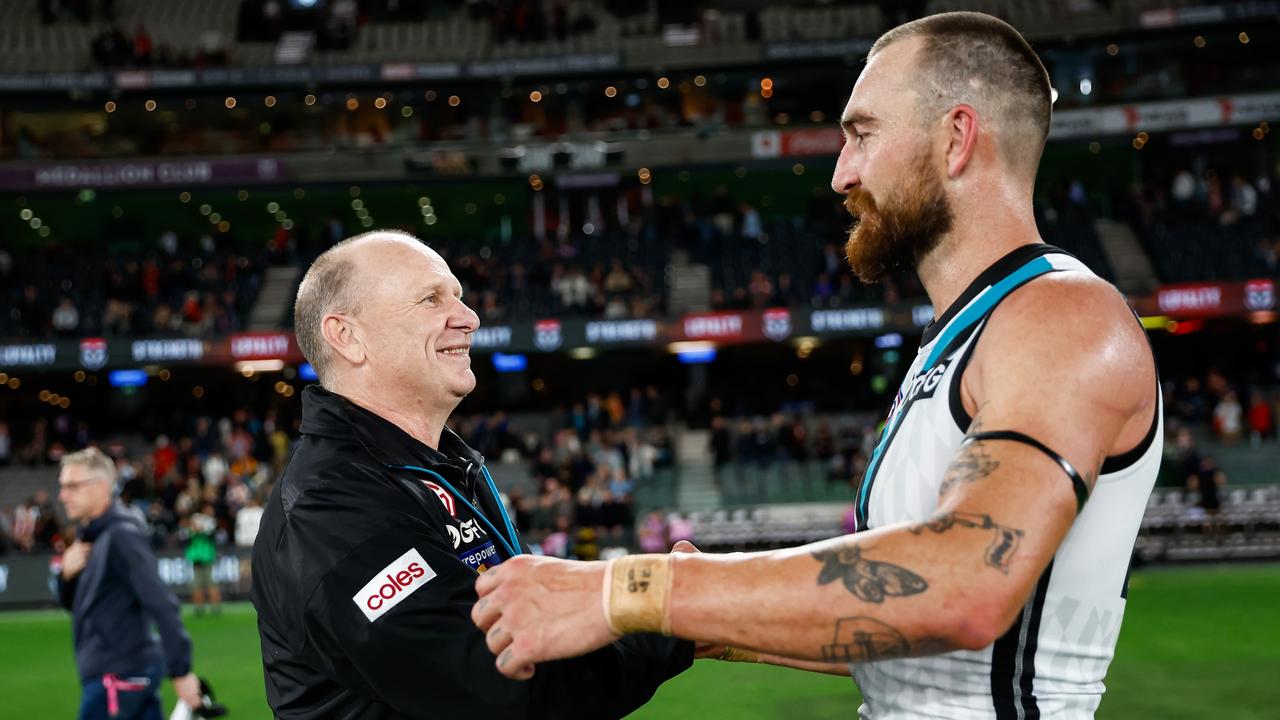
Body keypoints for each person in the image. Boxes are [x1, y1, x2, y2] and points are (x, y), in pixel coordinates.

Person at [471, 12, 1162, 719]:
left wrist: (633, 588)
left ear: (956, 138)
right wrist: (686, 610)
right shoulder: (959, 338)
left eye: (862, 133)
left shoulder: (1063, 316)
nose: (841, 174)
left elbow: (965, 587)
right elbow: (899, 631)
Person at [250, 230, 691, 718]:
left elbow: (527, 624)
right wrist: (671, 614)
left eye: (458, 297)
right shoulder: (330, 510)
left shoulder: (446, 468)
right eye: (431, 299)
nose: (469, 318)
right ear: (347, 337)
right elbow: (509, 689)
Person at [56, 447, 204, 719]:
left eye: (72, 486)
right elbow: (75, 605)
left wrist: (181, 671)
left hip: (116, 679)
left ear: (101, 487)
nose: (63, 495)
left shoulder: (120, 535)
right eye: (63, 486)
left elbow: (160, 602)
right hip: (123, 676)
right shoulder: (93, 537)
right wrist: (65, 575)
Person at [185, 502, 221, 616]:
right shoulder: (198, 518)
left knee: (210, 584)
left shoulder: (210, 521)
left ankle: (214, 609)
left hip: (206, 557)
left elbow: (199, 529)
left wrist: (197, 528)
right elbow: (191, 530)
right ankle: (199, 609)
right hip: (197, 557)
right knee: (198, 585)